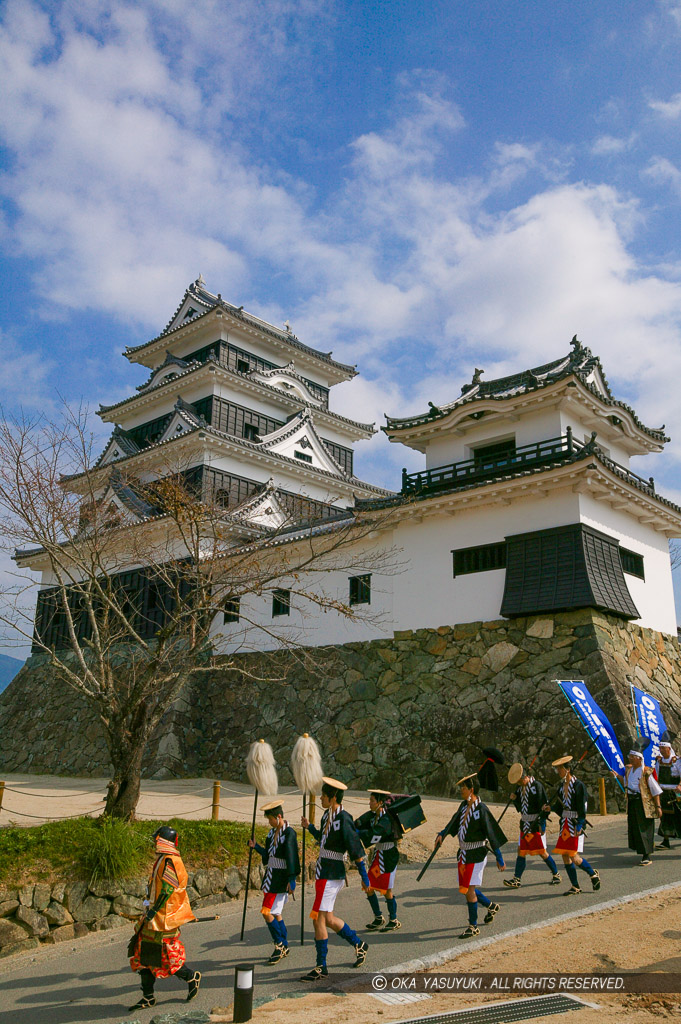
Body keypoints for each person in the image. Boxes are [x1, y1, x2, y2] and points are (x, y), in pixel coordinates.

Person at [300, 776, 371, 980]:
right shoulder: (325, 816)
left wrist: (364, 876)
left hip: (333, 873)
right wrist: (310, 827)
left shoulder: (344, 818)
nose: (320, 798)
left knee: (317, 919)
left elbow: (355, 846)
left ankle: (321, 965)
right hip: (324, 871)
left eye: (323, 795)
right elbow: (323, 839)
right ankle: (359, 944)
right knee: (328, 919)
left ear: (332, 798)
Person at [128, 825, 200, 1012]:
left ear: (164, 841)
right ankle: (148, 996)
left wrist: (153, 911)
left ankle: (191, 977)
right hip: (155, 917)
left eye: (157, 839)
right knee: (144, 955)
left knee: (167, 956)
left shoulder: (170, 861)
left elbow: (168, 890)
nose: (154, 842)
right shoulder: (163, 859)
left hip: (163, 918)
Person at [434, 772, 507, 939]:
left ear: (471, 790)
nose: (461, 790)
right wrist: (443, 834)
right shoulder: (463, 806)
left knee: (469, 889)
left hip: (477, 853)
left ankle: (473, 926)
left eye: (464, 788)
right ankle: (491, 906)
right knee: (466, 888)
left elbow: (491, 832)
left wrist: (499, 856)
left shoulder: (481, 809)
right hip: (464, 853)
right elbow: (453, 823)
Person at [247, 800, 300, 964]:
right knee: (275, 913)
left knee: (266, 911)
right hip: (271, 876)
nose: (269, 822)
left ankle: (279, 945)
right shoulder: (271, 833)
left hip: (281, 877)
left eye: (270, 819)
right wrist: (256, 847)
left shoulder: (289, 833)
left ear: (278, 816)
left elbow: (292, 857)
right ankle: (284, 944)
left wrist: (292, 879)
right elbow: (269, 855)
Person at [546, 755, 600, 894]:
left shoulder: (578, 786)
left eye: (560, 769)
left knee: (574, 857)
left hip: (574, 823)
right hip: (564, 823)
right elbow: (559, 806)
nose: (558, 771)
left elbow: (583, 807)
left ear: (568, 769)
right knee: (565, 855)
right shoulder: (561, 786)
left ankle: (592, 873)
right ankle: (575, 886)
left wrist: (580, 824)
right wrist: (550, 808)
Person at [503, 766, 561, 889]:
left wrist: (542, 823)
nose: (519, 784)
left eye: (520, 781)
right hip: (524, 823)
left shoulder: (537, 786)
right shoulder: (520, 788)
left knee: (542, 852)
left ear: (525, 777)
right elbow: (520, 807)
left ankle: (556, 873)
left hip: (535, 823)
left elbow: (544, 805)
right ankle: (516, 878)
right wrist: (514, 800)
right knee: (521, 850)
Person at [354, 789, 401, 932]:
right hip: (378, 854)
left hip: (388, 856)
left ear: (380, 803)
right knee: (367, 884)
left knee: (386, 889)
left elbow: (374, 833)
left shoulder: (386, 819)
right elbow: (361, 823)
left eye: (372, 800)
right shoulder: (374, 816)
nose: (369, 803)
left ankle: (394, 919)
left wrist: (359, 833)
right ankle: (378, 917)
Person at [612, 747, 663, 865]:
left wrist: (658, 807)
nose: (630, 758)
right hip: (632, 801)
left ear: (639, 759)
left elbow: (655, 791)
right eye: (630, 756)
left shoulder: (646, 771)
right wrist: (616, 776)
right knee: (635, 826)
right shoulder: (629, 771)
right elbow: (626, 782)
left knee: (644, 828)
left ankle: (647, 855)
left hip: (643, 803)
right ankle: (642, 850)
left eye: (632, 757)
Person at [655, 737, 681, 850]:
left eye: (663, 748)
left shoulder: (677, 761)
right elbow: (655, 775)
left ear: (669, 748)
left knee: (678, 816)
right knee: (664, 817)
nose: (661, 750)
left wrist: (680, 785)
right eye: (660, 748)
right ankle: (666, 841)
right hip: (663, 792)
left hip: (675, 793)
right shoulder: (659, 761)